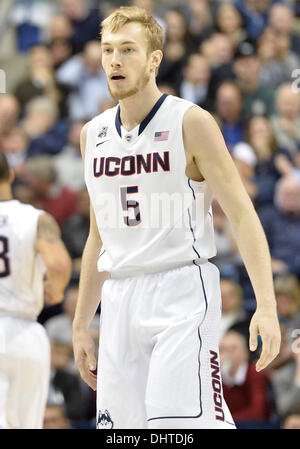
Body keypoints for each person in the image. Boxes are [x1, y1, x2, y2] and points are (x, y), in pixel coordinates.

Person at [72, 6, 281, 430]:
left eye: (128, 50)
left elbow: (241, 215)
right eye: (108, 50)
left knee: (180, 430)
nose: (114, 60)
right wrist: (80, 325)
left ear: (154, 59)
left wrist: (267, 304)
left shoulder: (190, 121)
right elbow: (98, 237)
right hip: (119, 299)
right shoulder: (91, 135)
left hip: (181, 290)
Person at [0, 153, 72, 429]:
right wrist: (54, 292)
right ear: (10, 176)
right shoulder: (36, 219)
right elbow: (57, 263)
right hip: (24, 332)